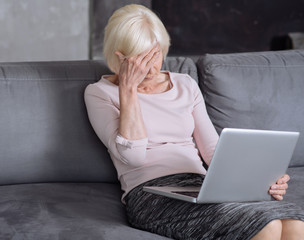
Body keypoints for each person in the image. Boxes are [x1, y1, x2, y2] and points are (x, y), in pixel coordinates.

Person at [84, 4, 304, 240]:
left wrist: (262, 178)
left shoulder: (185, 84)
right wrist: (127, 90)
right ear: (120, 57)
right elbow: (133, 157)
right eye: (139, 59)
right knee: (265, 227)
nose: (149, 67)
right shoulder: (99, 93)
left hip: (199, 185)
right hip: (150, 194)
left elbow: (212, 152)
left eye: (155, 54)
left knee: (293, 223)